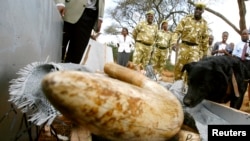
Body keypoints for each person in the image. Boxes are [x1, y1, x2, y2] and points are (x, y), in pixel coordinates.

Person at [172, 2, 209, 81]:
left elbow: (205, 39)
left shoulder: (204, 24)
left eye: (200, 10)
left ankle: (186, 88)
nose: (198, 11)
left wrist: (205, 54)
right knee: (179, 67)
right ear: (194, 9)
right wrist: (174, 42)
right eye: (196, 9)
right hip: (184, 46)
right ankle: (175, 85)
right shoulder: (186, 19)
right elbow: (177, 32)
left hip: (195, 49)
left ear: (202, 11)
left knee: (192, 69)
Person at [232, 29, 250, 108]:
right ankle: (236, 106)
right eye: (243, 34)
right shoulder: (238, 44)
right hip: (240, 64)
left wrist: (247, 54)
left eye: (246, 34)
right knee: (241, 86)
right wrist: (241, 56)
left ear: (248, 35)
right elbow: (234, 55)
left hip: (249, 64)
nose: (244, 35)